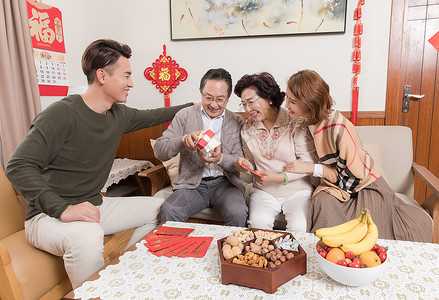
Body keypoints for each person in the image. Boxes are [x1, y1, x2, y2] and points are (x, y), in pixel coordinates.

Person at [5, 39, 193, 287]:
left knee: (161, 208)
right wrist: (63, 209)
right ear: (102, 75)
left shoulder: (118, 115)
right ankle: (95, 293)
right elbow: (18, 165)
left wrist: (196, 106)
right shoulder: (61, 114)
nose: (132, 83)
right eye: (126, 75)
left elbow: (154, 115)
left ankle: (122, 274)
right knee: (87, 234)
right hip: (47, 217)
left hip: (93, 206)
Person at [284, 69, 433, 242]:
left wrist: (311, 168)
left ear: (309, 102)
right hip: (335, 186)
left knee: (375, 225)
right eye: (286, 98)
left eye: (292, 101)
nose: (286, 105)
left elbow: (354, 177)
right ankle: (324, 260)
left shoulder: (339, 128)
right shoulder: (305, 123)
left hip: (363, 186)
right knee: (321, 203)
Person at [154, 68, 248, 226]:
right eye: (208, 97)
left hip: (225, 184)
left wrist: (220, 159)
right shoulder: (184, 115)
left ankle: (227, 250)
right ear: (200, 92)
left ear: (228, 97)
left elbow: (241, 162)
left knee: (237, 212)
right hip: (192, 186)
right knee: (169, 210)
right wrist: (183, 140)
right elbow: (160, 150)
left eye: (220, 99)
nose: (213, 104)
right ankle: (175, 251)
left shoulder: (236, 121)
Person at [233, 72, 316, 232]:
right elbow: (250, 163)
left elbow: (308, 163)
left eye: (251, 102)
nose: (248, 109)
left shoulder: (295, 123)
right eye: (243, 104)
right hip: (264, 192)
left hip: (297, 191)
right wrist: (244, 165)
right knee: (258, 226)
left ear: (269, 98)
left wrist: (280, 177)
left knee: (300, 226)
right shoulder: (247, 129)